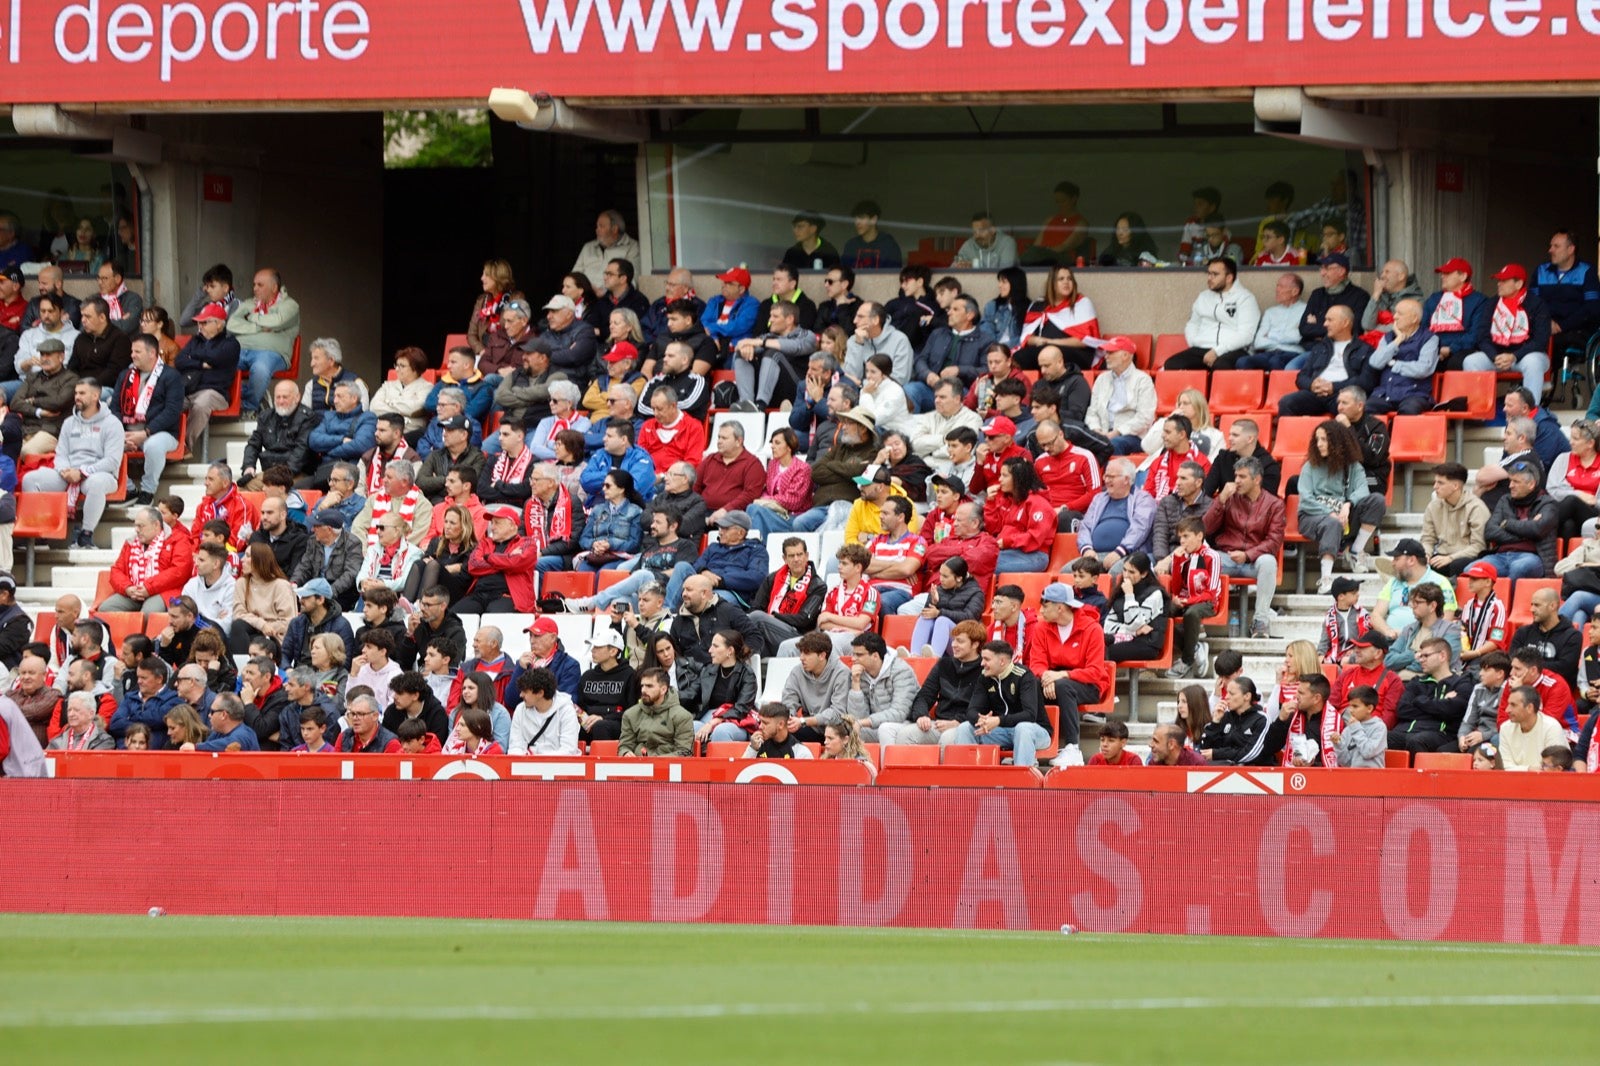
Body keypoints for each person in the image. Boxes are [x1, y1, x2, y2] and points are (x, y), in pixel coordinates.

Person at [21, 378, 124, 548]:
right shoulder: (69, 422)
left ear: (95, 396)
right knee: (31, 479)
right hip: (68, 472)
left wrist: (83, 472)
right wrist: (65, 471)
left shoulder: (112, 424)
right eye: (76, 393)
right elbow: (60, 453)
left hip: (100, 474)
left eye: (82, 393)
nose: (77, 397)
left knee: (96, 483)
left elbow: (112, 461)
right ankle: (38, 535)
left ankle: (85, 535)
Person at [1298, 419, 1385, 592]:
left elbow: (1363, 490)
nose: (1319, 444)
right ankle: (1325, 579)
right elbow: (1306, 499)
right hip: (1313, 516)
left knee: (1377, 500)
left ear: (1338, 442)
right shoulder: (1310, 467)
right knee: (1332, 523)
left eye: (1324, 440)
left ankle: (1355, 552)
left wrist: (1348, 504)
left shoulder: (1353, 466)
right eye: (1317, 440)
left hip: (1344, 514)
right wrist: (1329, 512)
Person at [1202, 457, 1285, 638]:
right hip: (1227, 557)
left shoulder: (1275, 504)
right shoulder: (1229, 498)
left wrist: (1247, 555)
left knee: (1269, 562)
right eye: (1236, 476)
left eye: (1242, 476)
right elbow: (1205, 529)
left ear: (1256, 479)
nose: (1236, 481)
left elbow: (1274, 541)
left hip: (1254, 561)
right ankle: (1200, 617)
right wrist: (1221, 500)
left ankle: (1260, 622)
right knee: (1202, 559)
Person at [1028, 583, 1111, 756]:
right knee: (1030, 683)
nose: (1040, 610)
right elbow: (1036, 663)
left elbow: (1095, 671)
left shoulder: (1092, 629)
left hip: (1088, 684)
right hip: (1053, 680)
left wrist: (1061, 675)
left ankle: (1073, 747)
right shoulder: (1041, 628)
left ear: (1059, 607)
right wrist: (1046, 677)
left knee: (1063, 686)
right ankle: (1034, 741)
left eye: (1045, 605)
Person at [1277, 306, 1376, 418]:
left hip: (1342, 394)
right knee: (1286, 403)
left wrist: (1333, 386)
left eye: (1330, 320)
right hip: (1316, 393)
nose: (1325, 324)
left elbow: (1366, 382)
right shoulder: (1319, 348)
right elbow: (1301, 377)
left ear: (1345, 323)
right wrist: (1312, 385)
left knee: (1351, 408)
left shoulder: (1365, 349)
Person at [1164, 258, 1262, 370]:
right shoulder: (1203, 297)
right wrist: (1195, 342)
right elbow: (1192, 324)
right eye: (1209, 273)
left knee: (1221, 366)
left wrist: (1217, 351)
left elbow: (1246, 335)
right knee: (1172, 365)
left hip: (1233, 349)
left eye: (1215, 274)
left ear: (1229, 278)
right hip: (1202, 348)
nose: (1210, 278)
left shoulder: (1245, 298)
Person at [226, 268, 300, 416]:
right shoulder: (249, 303)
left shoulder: (290, 305)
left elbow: (277, 321)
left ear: (274, 287)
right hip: (240, 349)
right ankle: (240, 397)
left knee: (260, 369)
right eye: (254, 284)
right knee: (219, 363)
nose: (254, 288)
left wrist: (251, 317)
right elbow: (231, 324)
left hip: (271, 353)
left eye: (260, 285)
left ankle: (249, 408)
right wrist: (259, 327)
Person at [100, 505, 191, 613]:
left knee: (149, 612)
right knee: (106, 608)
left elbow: (179, 571)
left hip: (164, 591)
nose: (136, 530)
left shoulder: (178, 540)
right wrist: (128, 588)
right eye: (136, 526)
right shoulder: (131, 542)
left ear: (156, 525)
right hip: (134, 591)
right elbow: (117, 570)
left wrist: (149, 587)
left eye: (141, 526)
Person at [732, 299, 816, 409]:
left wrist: (760, 342)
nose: (770, 320)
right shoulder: (769, 336)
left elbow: (795, 347)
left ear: (790, 319)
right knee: (742, 355)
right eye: (770, 316)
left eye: (775, 316)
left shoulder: (807, 335)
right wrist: (745, 347)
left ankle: (760, 405)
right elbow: (740, 346)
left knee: (773, 354)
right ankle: (747, 404)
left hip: (796, 390)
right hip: (772, 391)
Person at [1166, 516, 1222, 679]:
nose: (1182, 541)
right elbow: (1177, 588)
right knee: (1163, 611)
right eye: (1180, 537)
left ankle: (1187, 659)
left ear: (1199, 536)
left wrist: (1187, 601)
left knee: (1191, 613)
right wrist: (1176, 562)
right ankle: (1194, 647)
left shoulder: (1212, 556)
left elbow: (1212, 592)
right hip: (1187, 600)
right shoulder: (1184, 556)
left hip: (1207, 603)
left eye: (1186, 536)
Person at [1074, 457, 1155, 571]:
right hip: (1095, 555)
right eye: (1105, 476)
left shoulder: (1143, 499)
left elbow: (1140, 528)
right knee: (1068, 571)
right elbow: (1085, 527)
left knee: (1116, 571)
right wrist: (1086, 549)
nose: (1106, 480)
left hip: (1129, 554)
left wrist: (1120, 551)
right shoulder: (1099, 499)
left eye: (1111, 477)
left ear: (1126, 479)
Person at [1482, 461, 1558, 578]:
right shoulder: (1505, 500)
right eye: (1510, 481)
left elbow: (1537, 530)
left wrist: (1506, 524)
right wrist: (1526, 531)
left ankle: (1506, 596)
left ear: (1531, 484)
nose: (1510, 485)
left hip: (1532, 556)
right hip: (1500, 556)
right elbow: (1490, 532)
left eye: (1516, 482)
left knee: (1519, 568)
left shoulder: (1547, 503)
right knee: (1472, 569)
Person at [1365, 297, 1440, 416]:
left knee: (1408, 411)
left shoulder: (1430, 339)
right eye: (1395, 313)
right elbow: (1375, 362)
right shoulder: (1388, 337)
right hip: (1385, 394)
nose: (1394, 317)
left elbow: (1423, 369)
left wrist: (1394, 364)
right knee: (1365, 409)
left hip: (1414, 394)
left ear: (1414, 318)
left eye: (1400, 313)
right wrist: (1397, 341)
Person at [1016, 265, 1100, 368]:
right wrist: (1037, 340)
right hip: (1042, 349)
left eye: (1069, 279)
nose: (1066, 282)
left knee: (1047, 353)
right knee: (1018, 357)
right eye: (1061, 279)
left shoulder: (1082, 303)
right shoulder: (1038, 305)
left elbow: (1086, 340)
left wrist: (1052, 342)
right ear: (1052, 284)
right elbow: (1027, 337)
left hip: (1076, 353)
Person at [1084, 336, 1155, 455]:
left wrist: (1116, 432)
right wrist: (1097, 430)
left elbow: (1145, 418)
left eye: (1111, 352)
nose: (1106, 356)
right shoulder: (1101, 379)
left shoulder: (1143, 380)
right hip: (1103, 432)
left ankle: (1108, 473)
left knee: (1113, 444)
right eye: (1106, 352)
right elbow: (1092, 412)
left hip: (1132, 436)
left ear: (1125, 355)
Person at [1419, 462, 1490, 579]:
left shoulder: (1476, 507)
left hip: (1467, 557)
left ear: (1455, 486)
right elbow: (1428, 538)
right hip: (1442, 555)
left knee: (1455, 565)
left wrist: (1451, 558)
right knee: (1419, 565)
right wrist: (1426, 554)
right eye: (1435, 482)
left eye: (1440, 483)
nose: (1435, 486)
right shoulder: (1433, 506)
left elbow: (1478, 546)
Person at [1419, 256, 1489, 370]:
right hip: (1433, 349)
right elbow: (1423, 328)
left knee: (1456, 363)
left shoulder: (1479, 301)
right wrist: (1434, 348)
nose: (1442, 276)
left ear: (1463, 276)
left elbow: (1475, 334)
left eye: (1447, 273)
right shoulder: (1434, 299)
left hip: (1463, 350)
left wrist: (1451, 349)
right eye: (1442, 273)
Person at [907, 558, 983, 657]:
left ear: (959, 578)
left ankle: (935, 658)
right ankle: (914, 655)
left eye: (945, 576)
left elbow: (970, 617)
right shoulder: (938, 590)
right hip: (939, 638)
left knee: (942, 620)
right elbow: (928, 612)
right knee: (924, 618)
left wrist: (939, 612)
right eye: (940, 575)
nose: (941, 579)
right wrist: (934, 602)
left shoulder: (975, 593)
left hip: (963, 638)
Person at [1102, 552, 1169, 663]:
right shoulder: (1120, 592)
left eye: (1132, 572)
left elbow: (1136, 623)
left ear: (1144, 574)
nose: (1126, 575)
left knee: (1106, 652)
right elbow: (1108, 626)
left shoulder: (1155, 594)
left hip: (1147, 644)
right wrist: (1131, 631)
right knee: (1091, 646)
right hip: (1124, 639)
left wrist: (1129, 596)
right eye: (1124, 570)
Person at [618, 667, 694, 756]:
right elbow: (624, 745)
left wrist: (655, 762)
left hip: (668, 767)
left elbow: (684, 752)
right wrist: (625, 753)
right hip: (638, 766)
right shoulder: (630, 714)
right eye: (642, 686)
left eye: (649, 686)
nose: (643, 690)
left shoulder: (682, 716)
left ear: (663, 690)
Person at [504, 667, 579, 756]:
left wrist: (539, 762)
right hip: (527, 767)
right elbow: (515, 747)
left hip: (560, 768)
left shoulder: (566, 711)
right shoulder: (520, 709)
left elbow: (569, 750)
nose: (521, 695)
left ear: (540, 693)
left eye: (525, 691)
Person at [1300, 253, 1370, 345]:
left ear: (1341, 271)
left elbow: (1354, 329)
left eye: (1327, 268)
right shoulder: (1317, 294)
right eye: (1321, 268)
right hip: (1311, 348)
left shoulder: (1360, 296)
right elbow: (1304, 329)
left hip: (1339, 350)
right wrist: (1335, 329)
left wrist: (1317, 326)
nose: (1322, 273)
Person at [1497, 685, 1565, 771]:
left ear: (1529, 707)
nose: (1507, 710)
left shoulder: (1551, 727)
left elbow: (1553, 768)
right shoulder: (1505, 728)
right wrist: (1528, 769)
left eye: (1513, 705)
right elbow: (1504, 767)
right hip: (1513, 782)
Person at [1026, 180, 1089, 265]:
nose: (1060, 205)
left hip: (1060, 259)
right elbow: (1037, 244)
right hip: (1041, 257)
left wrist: (1043, 251)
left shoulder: (1081, 223)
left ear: (1073, 199)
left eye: (1063, 201)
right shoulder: (1050, 220)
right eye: (1057, 202)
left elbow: (1064, 246)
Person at [700, 267, 760, 354]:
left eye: (729, 283)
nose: (723, 285)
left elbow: (737, 327)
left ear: (741, 289)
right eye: (724, 282)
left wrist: (711, 328)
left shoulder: (752, 304)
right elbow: (703, 323)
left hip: (735, 351)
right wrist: (713, 337)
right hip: (711, 348)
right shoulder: (714, 301)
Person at [840, 199, 902, 270]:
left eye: (862, 217)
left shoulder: (890, 247)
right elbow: (843, 274)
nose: (857, 222)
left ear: (874, 220)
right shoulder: (851, 246)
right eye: (855, 218)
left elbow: (893, 277)